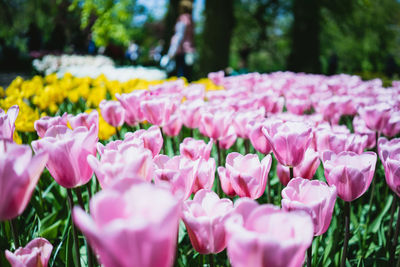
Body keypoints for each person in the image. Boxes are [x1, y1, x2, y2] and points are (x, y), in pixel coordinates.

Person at [161, 0, 195, 81]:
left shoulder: (182, 19)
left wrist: (171, 52)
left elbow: (179, 36)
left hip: (181, 50)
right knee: (188, 74)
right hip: (190, 50)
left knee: (181, 74)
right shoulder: (191, 20)